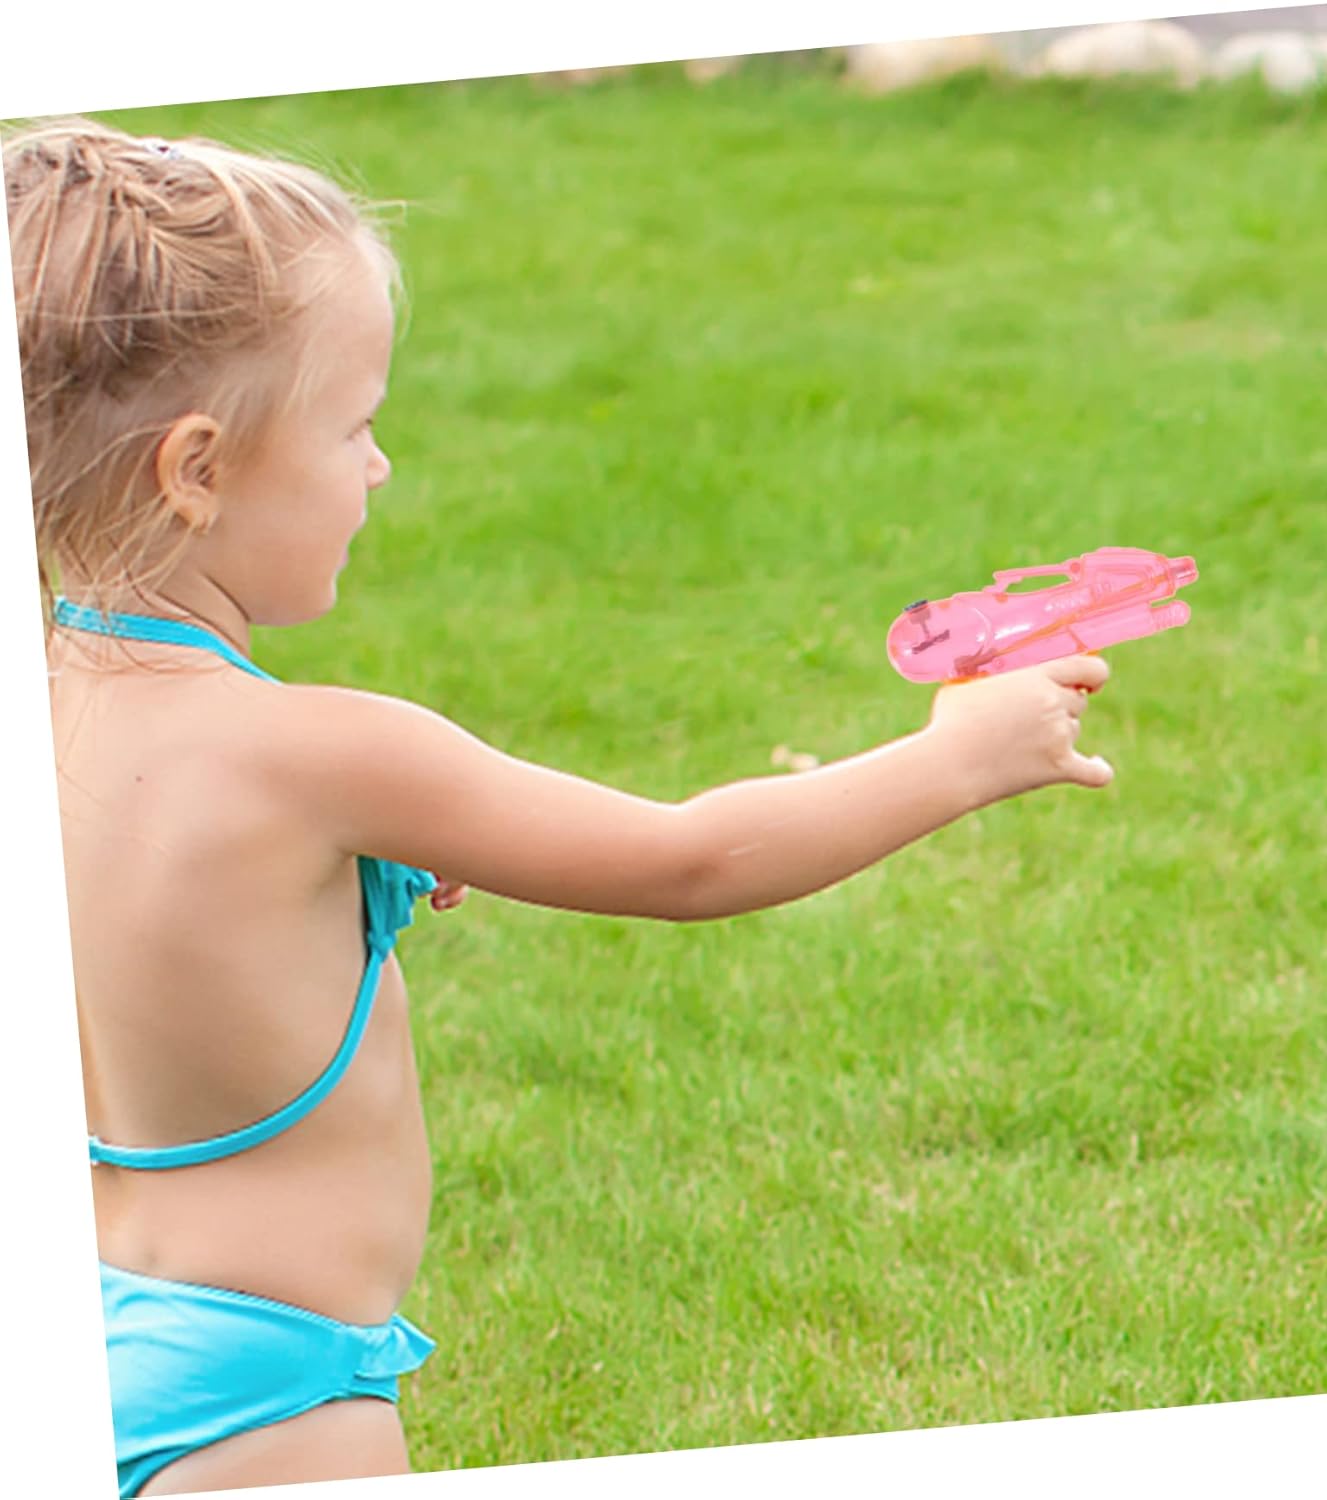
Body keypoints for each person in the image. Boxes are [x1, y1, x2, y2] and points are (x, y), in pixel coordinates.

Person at [6, 116, 1114, 1497]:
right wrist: (964, 755)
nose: (379, 465)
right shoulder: (322, 754)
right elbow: (690, 859)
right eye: (356, 427)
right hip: (270, 1391)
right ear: (198, 470)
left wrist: (348, 885)